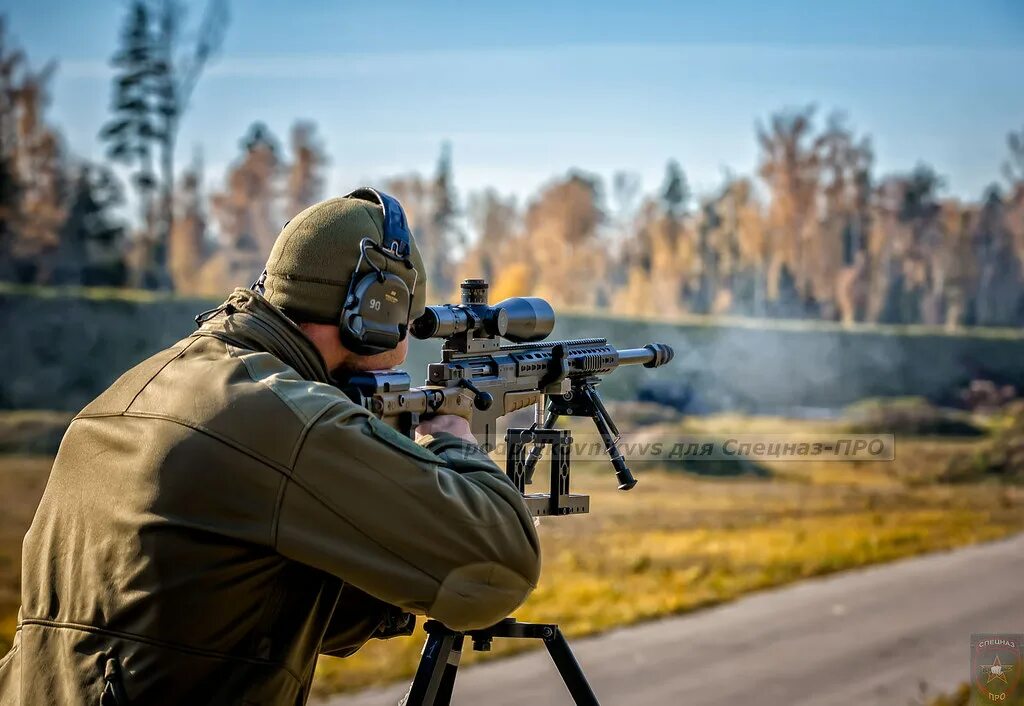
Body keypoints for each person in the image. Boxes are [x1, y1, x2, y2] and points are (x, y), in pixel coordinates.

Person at [0, 189, 541, 706]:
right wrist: (453, 442)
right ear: (372, 312)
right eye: (404, 328)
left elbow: (267, 606)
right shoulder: (282, 416)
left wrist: (394, 554)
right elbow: (497, 571)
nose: (402, 354)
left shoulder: (136, 389)